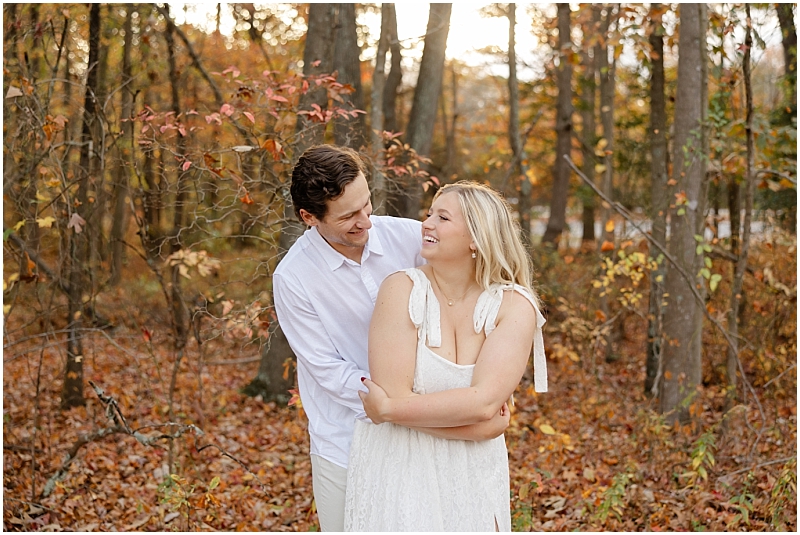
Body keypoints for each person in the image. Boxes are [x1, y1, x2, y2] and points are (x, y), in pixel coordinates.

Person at [273, 146, 510, 532]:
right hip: (345, 440)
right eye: (349, 216)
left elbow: (463, 297)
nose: (366, 222)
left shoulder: (408, 237)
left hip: (433, 432)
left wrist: (475, 387)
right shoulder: (294, 278)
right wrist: (389, 405)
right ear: (309, 218)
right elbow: (328, 370)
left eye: (367, 205)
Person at [344, 181, 548, 532]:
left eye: (443, 217)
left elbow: (484, 403)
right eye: (428, 214)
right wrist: (475, 429)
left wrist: (391, 411)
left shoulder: (514, 305)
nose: (426, 223)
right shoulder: (400, 289)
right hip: (398, 464)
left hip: (473, 474)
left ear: (476, 238)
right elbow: (398, 392)